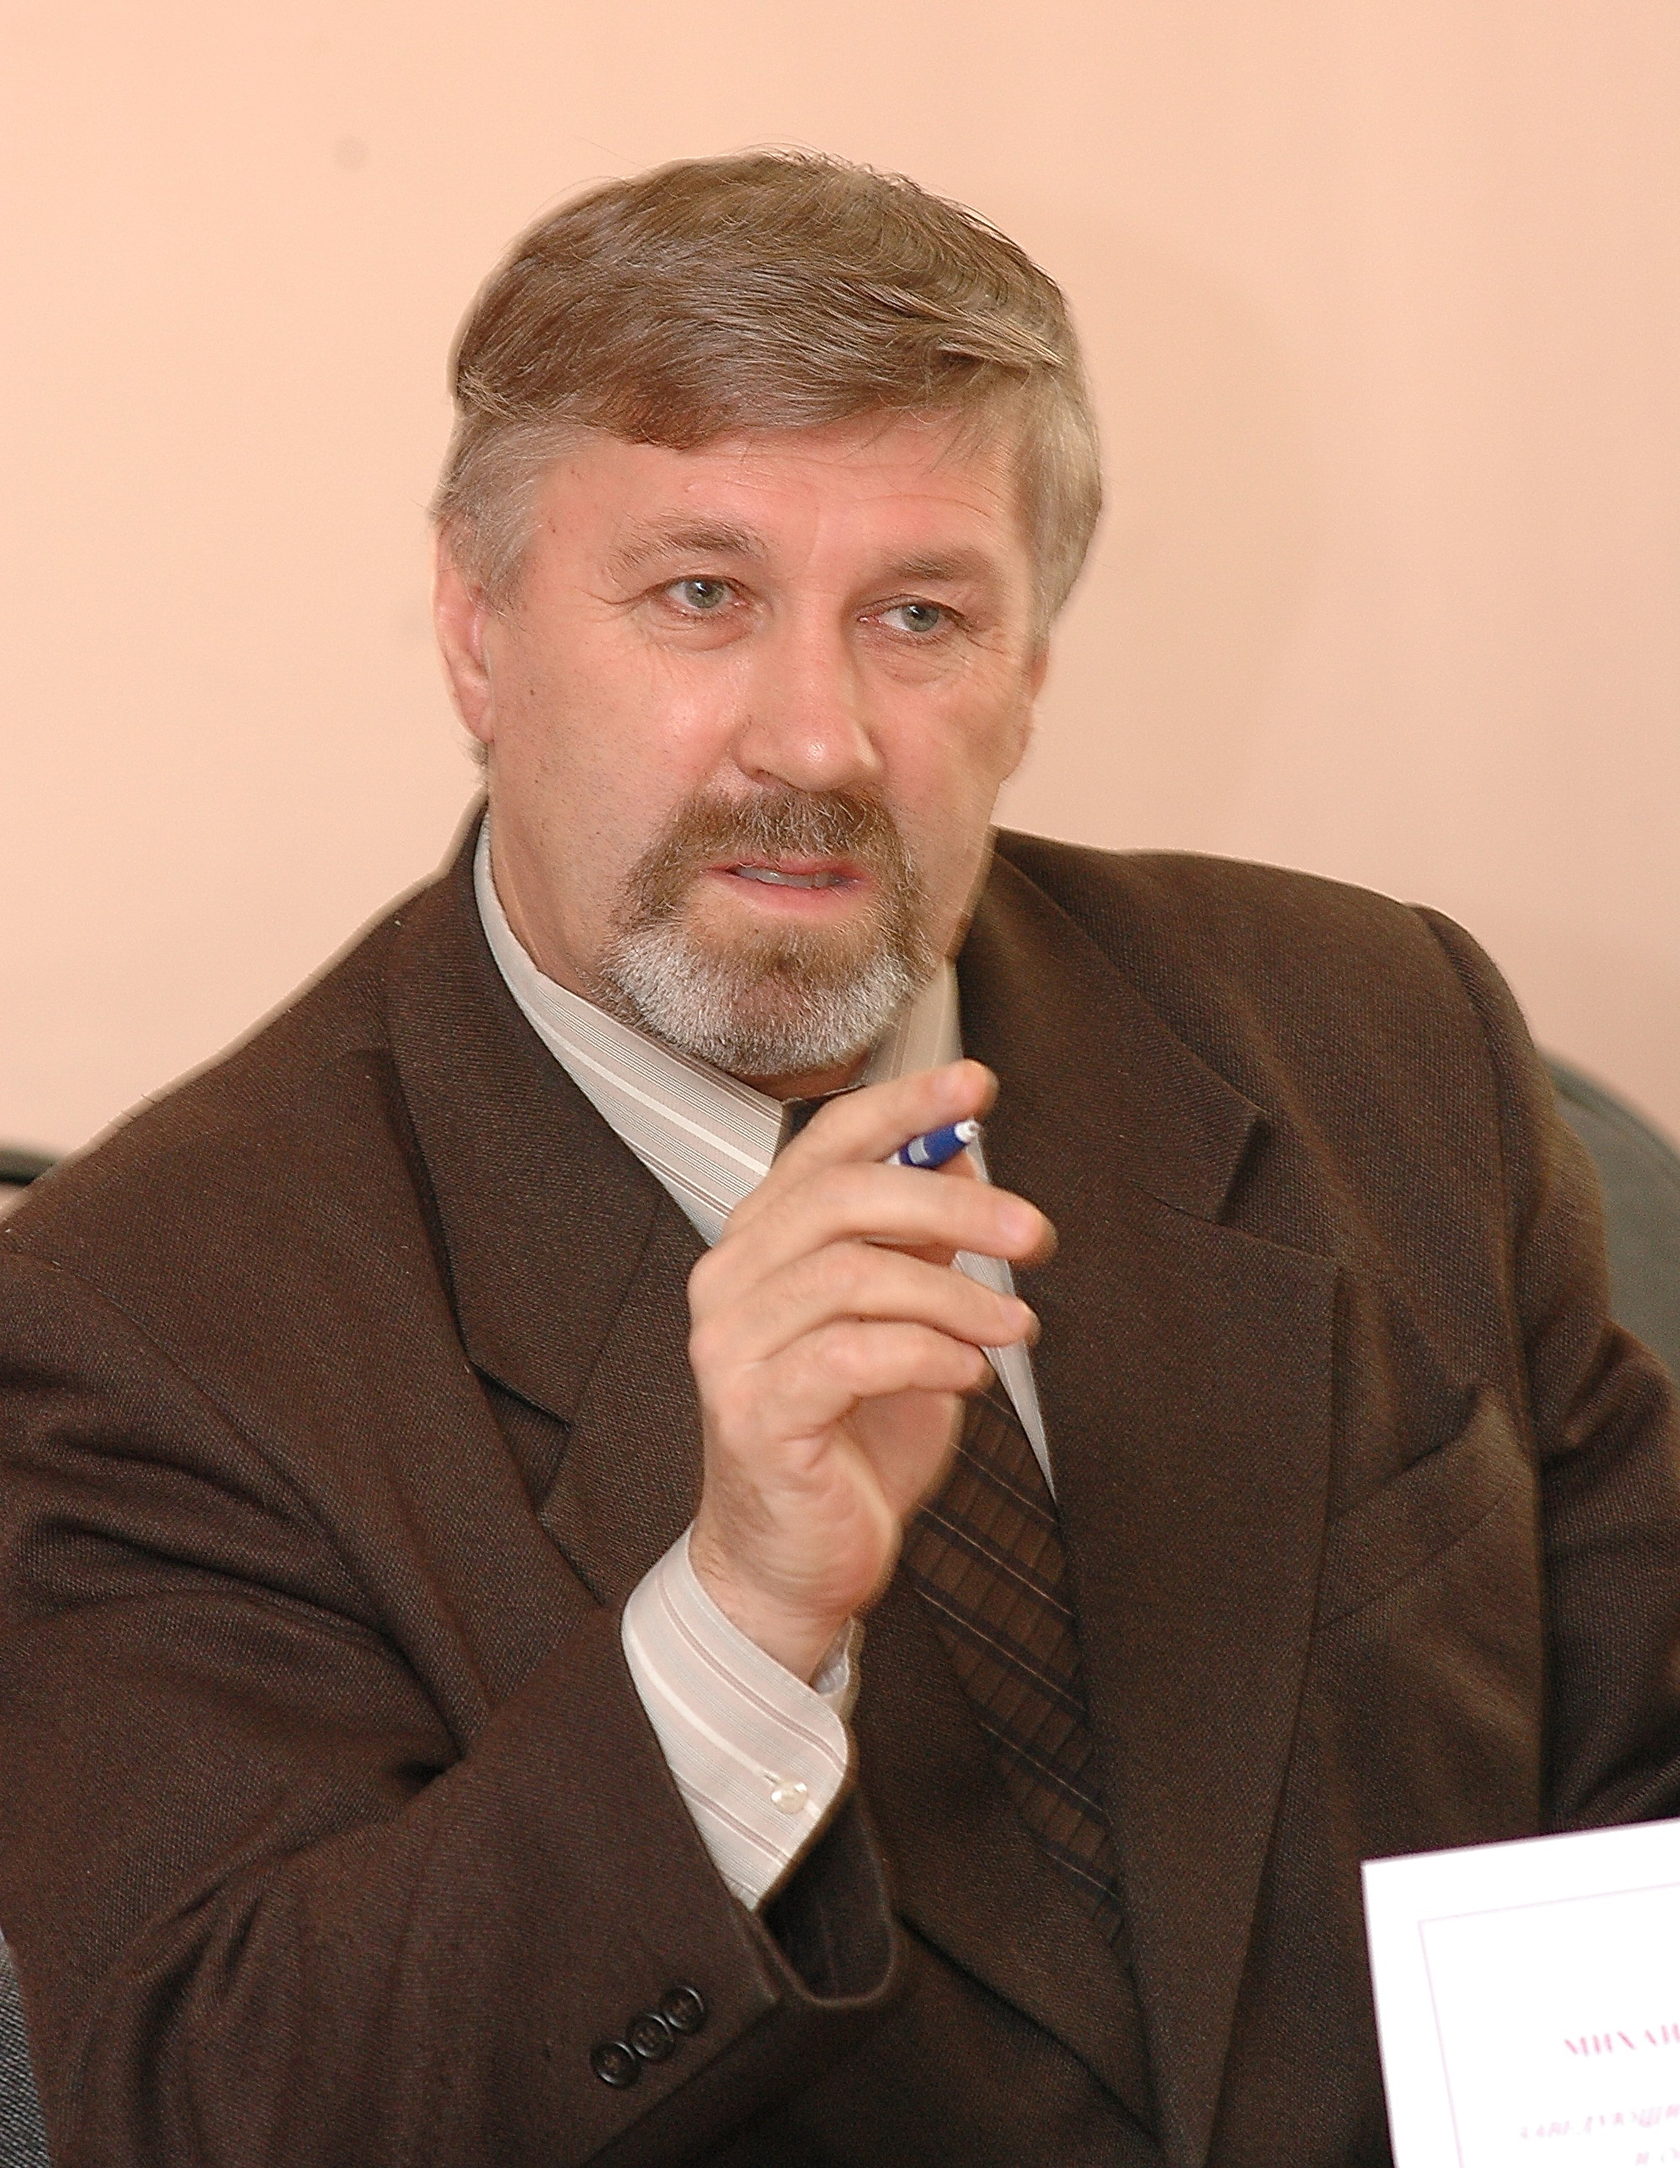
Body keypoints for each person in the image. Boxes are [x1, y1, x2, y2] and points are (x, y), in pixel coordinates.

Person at [1, 152, 1676, 2168]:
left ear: (1029, 674)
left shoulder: (1374, 1034)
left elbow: (1642, 1773)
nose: (814, 740)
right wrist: (735, 1624)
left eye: (920, 616)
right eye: (701, 595)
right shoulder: (146, 1314)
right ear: (475, 631)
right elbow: (221, 2113)